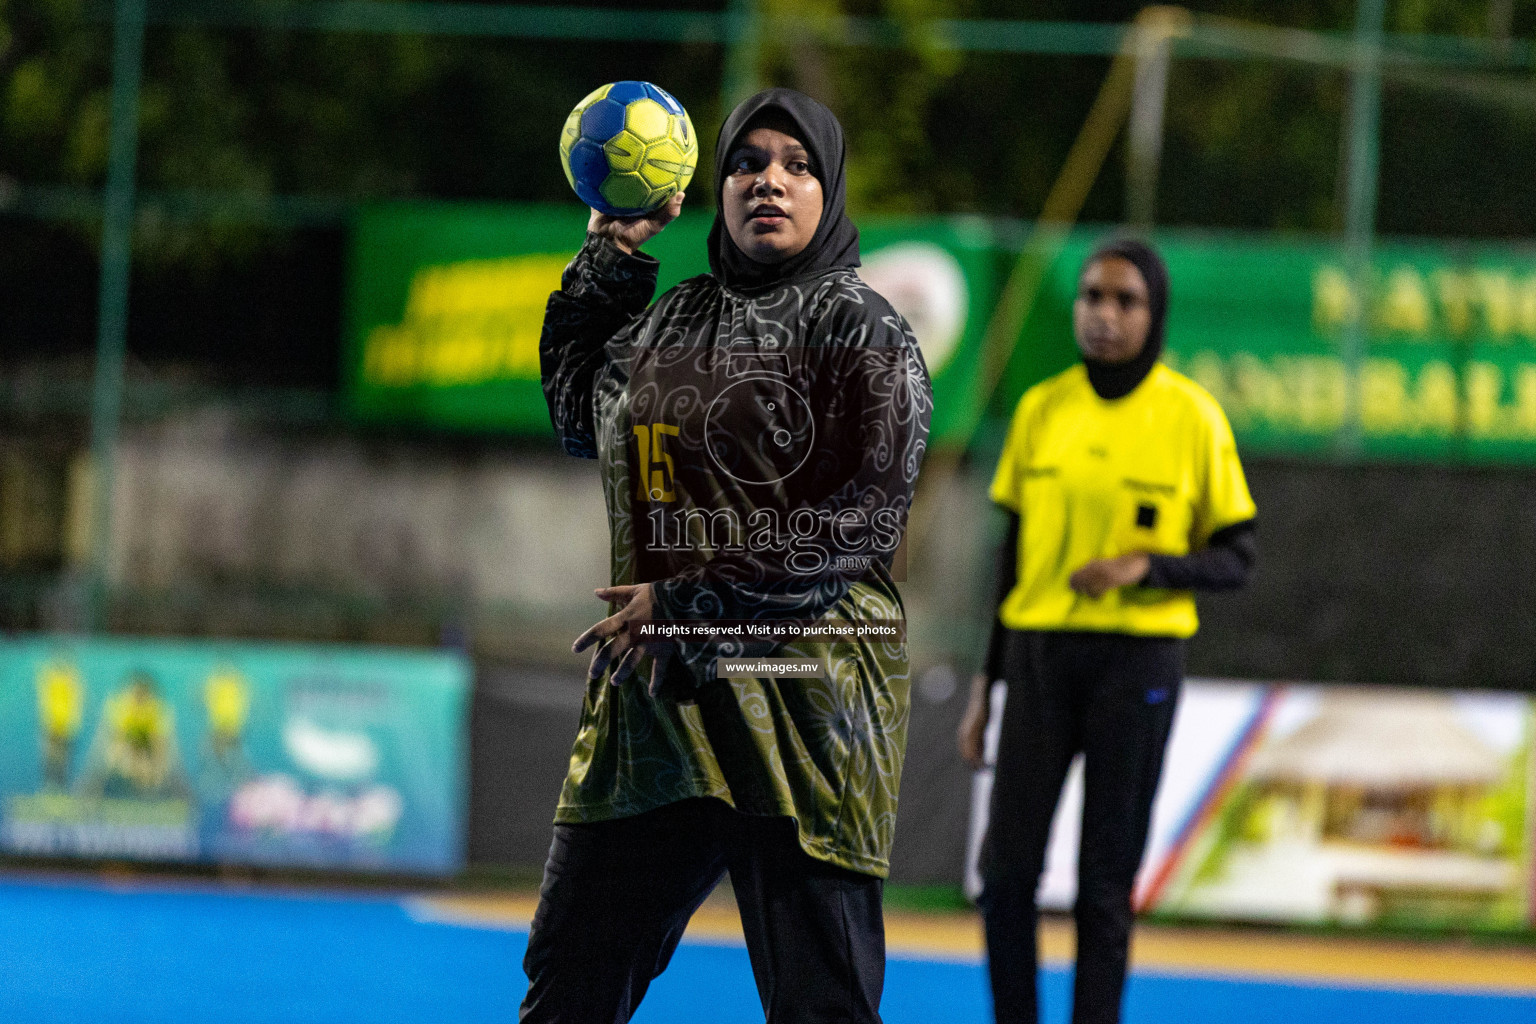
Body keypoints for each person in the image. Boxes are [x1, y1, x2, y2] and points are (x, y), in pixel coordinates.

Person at [524, 87, 932, 1024]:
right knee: (570, 985)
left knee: (819, 1007)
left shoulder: (861, 328)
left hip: (805, 706)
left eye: (796, 165)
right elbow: (577, 410)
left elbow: (863, 523)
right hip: (663, 710)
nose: (769, 182)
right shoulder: (671, 320)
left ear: (829, 189)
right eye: (747, 163)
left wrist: (692, 602)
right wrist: (610, 254)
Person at [957, 239, 1256, 1024]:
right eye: (1092, 296)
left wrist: (1147, 568)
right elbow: (1012, 563)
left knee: (1103, 884)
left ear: (1154, 315)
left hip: (1137, 666)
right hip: (1038, 657)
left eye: (1125, 301)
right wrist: (987, 688)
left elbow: (1237, 558)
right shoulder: (1040, 408)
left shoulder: (1191, 416)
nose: (1104, 314)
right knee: (1006, 875)